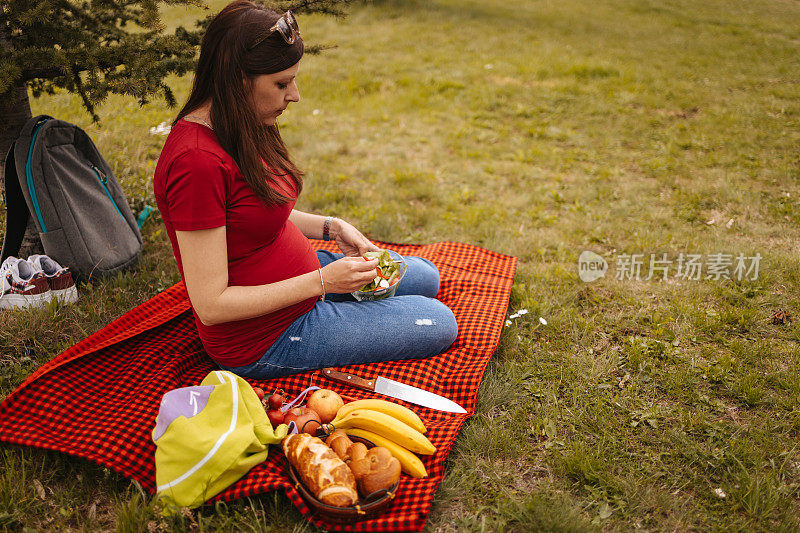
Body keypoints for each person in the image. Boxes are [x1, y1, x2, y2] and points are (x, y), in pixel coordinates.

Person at [153, 0, 457, 380]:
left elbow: (251, 213)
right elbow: (211, 305)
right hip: (267, 334)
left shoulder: (241, 120)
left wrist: (332, 226)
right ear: (236, 80)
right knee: (438, 321)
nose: (294, 95)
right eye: (281, 83)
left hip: (301, 283)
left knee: (426, 276)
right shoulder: (195, 163)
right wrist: (323, 282)